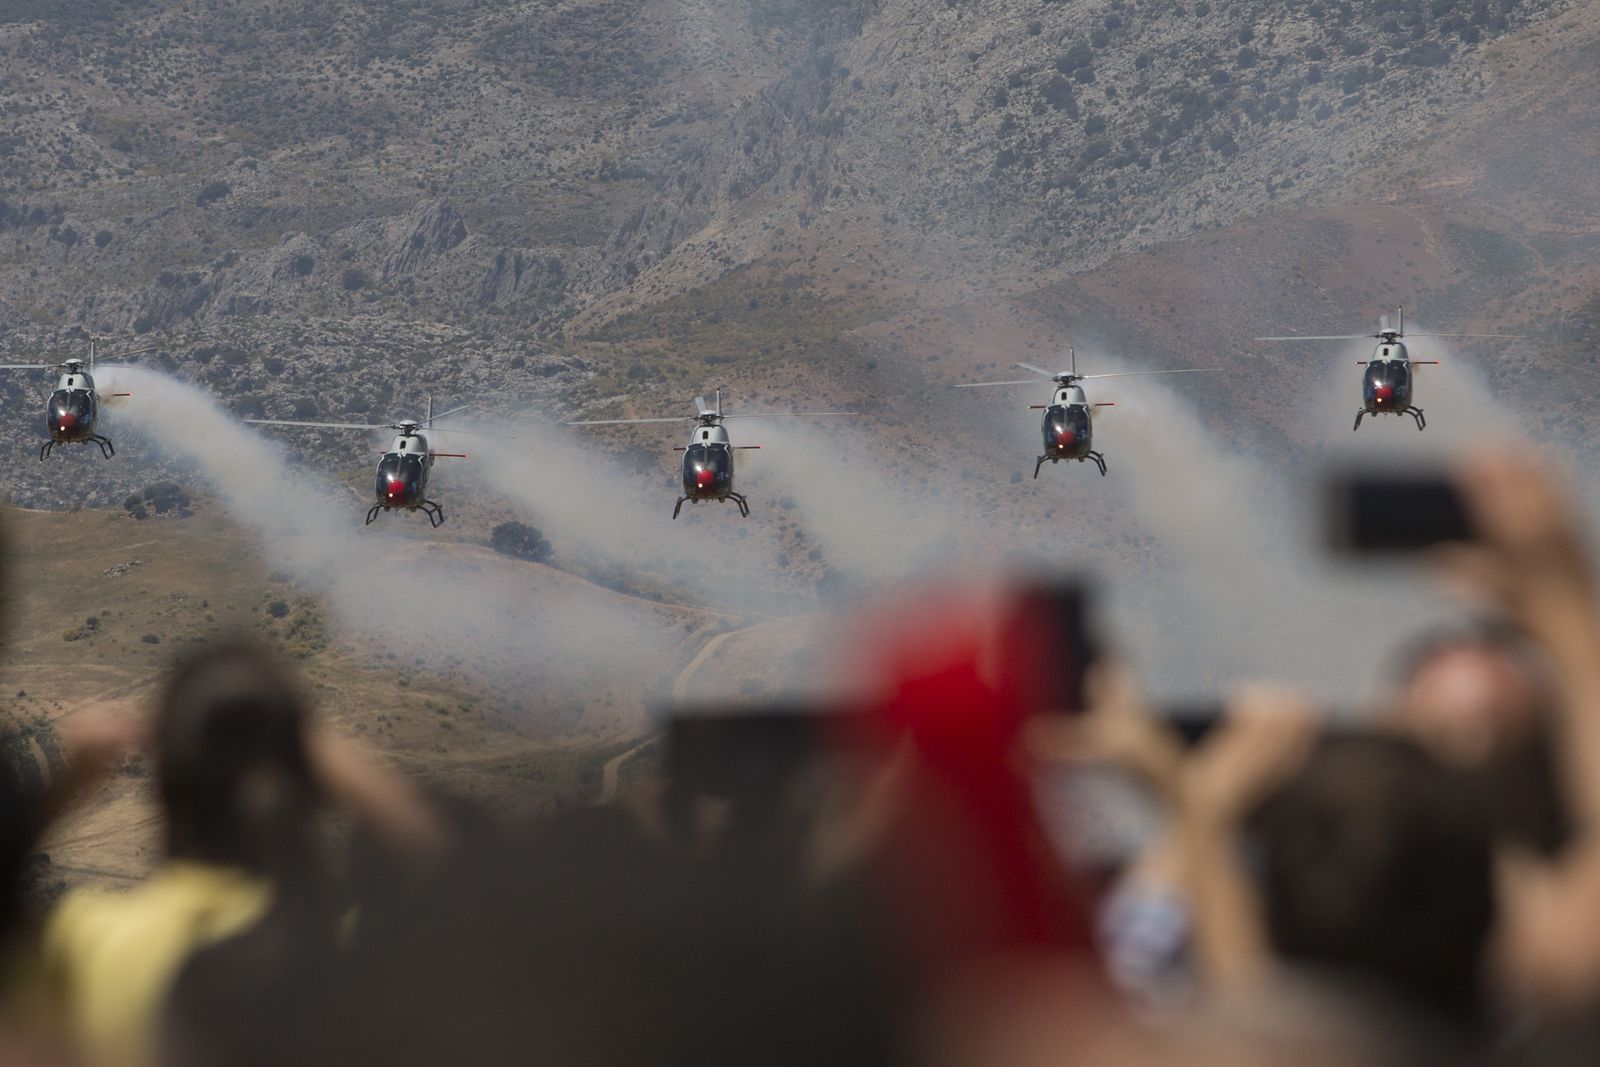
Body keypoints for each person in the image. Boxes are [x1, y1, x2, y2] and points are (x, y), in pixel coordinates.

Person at [28, 642, 445, 1067]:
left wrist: (71, 783)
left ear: (165, 789)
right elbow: (465, 882)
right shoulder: (346, 954)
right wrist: (309, 748)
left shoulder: (88, 943)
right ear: (306, 791)